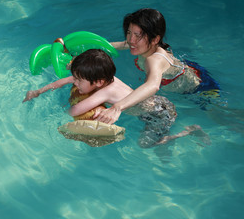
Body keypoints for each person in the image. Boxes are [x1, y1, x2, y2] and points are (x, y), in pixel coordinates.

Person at [23, 49, 207, 148]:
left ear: (98, 81)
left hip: (158, 114)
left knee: (145, 144)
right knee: (156, 144)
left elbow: (74, 111)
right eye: (76, 78)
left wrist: (57, 114)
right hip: (159, 104)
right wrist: (38, 91)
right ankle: (165, 145)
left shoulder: (106, 92)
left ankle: (188, 131)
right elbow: (65, 80)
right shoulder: (102, 77)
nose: (75, 82)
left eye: (79, 80)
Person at [95, 8, 220, 124]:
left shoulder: (153, 60)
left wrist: (117, 107)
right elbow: (119, 45)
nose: (131, 40)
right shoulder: (142, 45)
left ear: (155, 39)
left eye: (138, 35)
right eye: (129, 33)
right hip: (188, 71)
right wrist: (90, 48)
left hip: (199, 90)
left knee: (221, 118)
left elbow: (152, 86)